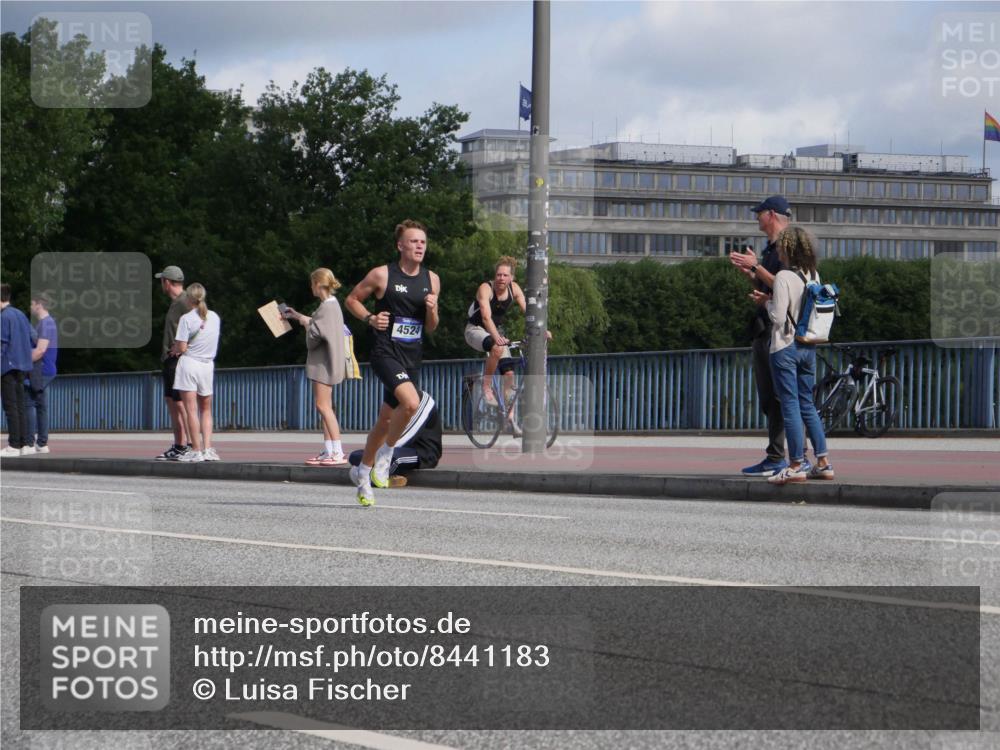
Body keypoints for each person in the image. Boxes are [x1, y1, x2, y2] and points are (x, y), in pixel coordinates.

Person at [345, 219, 440, 506]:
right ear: (400, 245)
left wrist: (433, 311)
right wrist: (370, 318)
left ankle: (363, 473)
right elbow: (351, 300)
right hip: (385, 352)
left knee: (386, 419)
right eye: (414, 241)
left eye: (422, 242)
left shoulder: (432, 279)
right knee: (411, 403)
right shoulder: (382, 275)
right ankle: (386, 454)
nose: (419, 246)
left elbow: (431, 327)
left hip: (412, 356)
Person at [751, 226, 835, 485]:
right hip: (807, 346)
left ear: (787, 248)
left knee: (790, 407)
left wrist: (764, 301)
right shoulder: (813, 274)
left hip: (785, 347)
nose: (777, 250)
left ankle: (796, 464)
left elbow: (777, 317)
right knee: (808, 405)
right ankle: (823, 462)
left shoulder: (784, 276)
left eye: (779, 247)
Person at [730, 195, 791, 477]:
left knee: (779, 397)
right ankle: (778, 455)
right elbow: (771, 286)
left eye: (759, 213)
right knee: (769, 397)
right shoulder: (772, 248)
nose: (756, 217)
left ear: (772, 215)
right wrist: (750, 274)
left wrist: (756, 267)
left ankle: (784, 457)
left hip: (778, 331)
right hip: (766, 326)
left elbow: (785, 284)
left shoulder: (788, 247)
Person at [464, 255, 550, 407]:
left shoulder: (514, 289)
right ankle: (486, 387)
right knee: (497, 347)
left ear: (512, 277)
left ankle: (507, 417)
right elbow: (485, 317)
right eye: (498, 275)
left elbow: (529, 312)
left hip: (494, 332)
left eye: (505, 275)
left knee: (509, 375)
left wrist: (542, 329)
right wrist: (497, 338)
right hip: (475, 330)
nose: (501, 278)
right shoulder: (486, 289)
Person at [285, 268, 349, 466]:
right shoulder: (331, 305)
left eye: (312, 283)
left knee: (323, 406)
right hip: (329, 362)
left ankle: (337, 451)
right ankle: (329, 449)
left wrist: (305, 324)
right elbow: (321, 326)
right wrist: (298, 316)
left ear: (319, 284)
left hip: (323, 363)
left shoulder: (326, 307)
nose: (310, 287)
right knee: (324, 406)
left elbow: (315, 337)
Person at [171, 283, 221, 463]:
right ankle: (208, 449)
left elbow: (182, 347)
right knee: (206, 409)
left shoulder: (186, 319)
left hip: (190, 364)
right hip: (207, 366)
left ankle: (196, 450)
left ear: (189, 299)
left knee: (191, 410)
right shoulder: (214, 317)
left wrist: (176, 348)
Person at [348, 391, 442, 483]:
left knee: (391, 459)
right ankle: (376, 475)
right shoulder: (395, 400)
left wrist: (376, 454)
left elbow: (405, 437)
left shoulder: (420, 402)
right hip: (399, 449)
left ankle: (373, 478)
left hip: (423, 453)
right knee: (355, 455)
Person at [154, 266, 190, 460]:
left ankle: (190, 444)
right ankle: (179, 445)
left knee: (180, 404)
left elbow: (200, 323)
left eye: (162, 281)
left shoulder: (185, 301)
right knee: (172, 402)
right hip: (169, 360)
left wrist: (184, 347)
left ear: (167, 282)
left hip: (179, 360)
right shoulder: (176, 302)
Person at [1, 284, 34, 457]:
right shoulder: (20, 314)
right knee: (20, 406)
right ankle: (24, 444)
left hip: (8, 366)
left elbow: (2, 344)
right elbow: (33, 336)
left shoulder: (4, 317)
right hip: (23, 365)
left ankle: (13, 445)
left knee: (10, 406)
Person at [24, 292, 58, 453]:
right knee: (41, 406)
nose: (30, 307)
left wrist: (21, 361)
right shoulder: (47, 323)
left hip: (41, 370)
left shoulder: (46, 324)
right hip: (46, 369)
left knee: (28, 404)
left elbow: (40, 350)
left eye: (31, 304)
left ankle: (29, 443)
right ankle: (42, 444)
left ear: (39, 304)